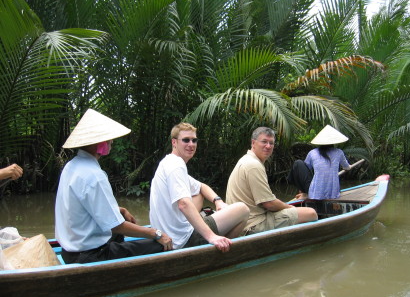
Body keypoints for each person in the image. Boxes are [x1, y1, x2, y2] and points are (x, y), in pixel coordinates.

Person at [55, 109, 172, 264]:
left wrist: (120, 210)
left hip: (68, 252)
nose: (112, 142)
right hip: (90, 256)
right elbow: (116, 226)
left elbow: (84, 206)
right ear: (99, 143)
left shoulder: (72, 166)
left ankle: (122, 262)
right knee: (158, 245)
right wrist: (156, 233)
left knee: (118, 234)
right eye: (109, 139)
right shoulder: (94, 175)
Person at [149, 123, 249, 253]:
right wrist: (211, 236)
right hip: (182, 240)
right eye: (186, 140)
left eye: (194, 140)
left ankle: (214, 238)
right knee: (243, 210)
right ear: (174, 142)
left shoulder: (168, 162)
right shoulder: (176, 165)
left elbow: (202, 187)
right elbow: (183, 204)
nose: (191, 144)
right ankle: (221, 250)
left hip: (169, 235)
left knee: (198, 194)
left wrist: (218, 201)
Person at [226, 127, 317, 235]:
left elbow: (268, 201)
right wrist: (290, 207)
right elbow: (269, 204)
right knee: (311, 213)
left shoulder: (246, 159)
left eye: (271, 143)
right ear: (253, 143)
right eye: (264, 142)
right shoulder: (254, 166)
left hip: (242, 221)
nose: (268, 146)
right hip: (253, 224)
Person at [287, 125, 351, 200]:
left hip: (315, 194)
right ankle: (306, 193)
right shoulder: (339, 152)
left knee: (298, 164)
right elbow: (347, 167)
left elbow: (306, 169)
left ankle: (305, 193)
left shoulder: (312, 153)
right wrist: (348, 167)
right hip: (333, 193)